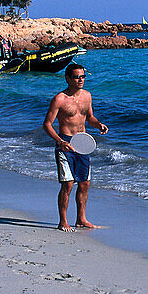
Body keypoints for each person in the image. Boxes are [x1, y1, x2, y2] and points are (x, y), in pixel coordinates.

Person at [43, 63, 108, 231]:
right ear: (68, 79)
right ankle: (63, 221)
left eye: (83, 76)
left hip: (83, 143)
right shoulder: (60, 99)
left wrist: (99, 125)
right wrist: (60, 141)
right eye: (77, 77)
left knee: (85, 183)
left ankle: (81, 219)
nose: (81, 79)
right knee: (68, 184)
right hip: (65, 143)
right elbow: (47, 125)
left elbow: (90, 117)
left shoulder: (87, 96)